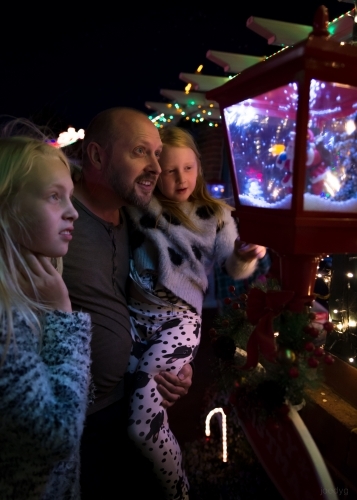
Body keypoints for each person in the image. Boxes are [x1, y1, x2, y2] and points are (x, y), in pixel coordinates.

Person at [124, 126, 268, 499]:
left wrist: (245, 255)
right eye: (170, 171)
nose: (181, 178)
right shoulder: (138, 205)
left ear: (199, 166)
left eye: (188, 168)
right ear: (154, 171)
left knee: (142, 423)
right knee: (125, 407)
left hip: (178, 321)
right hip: (134, 318)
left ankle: (178, 489)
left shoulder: (216, 214)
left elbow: (232, 267)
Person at [62, 108, 194, 499]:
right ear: (97, 156)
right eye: (141, 151)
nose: (156, 165)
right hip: (75, 426)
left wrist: (175, 366)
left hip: (127, 405)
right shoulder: (56, 218)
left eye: (157, 154)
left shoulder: (137, 223)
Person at [0, 136, 92, 499]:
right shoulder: (6, 316)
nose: (73, 212)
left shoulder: (25, 293)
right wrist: (62, 316)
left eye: (70, 196)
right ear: (7, 206)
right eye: (55, 196)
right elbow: (55, 434)